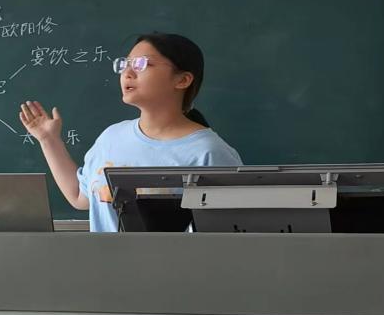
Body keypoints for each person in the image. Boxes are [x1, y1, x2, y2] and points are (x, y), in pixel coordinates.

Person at [19, 32, 242, 232]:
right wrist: (48, 140)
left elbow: (229, 234)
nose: (127, 73)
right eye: (125, 64)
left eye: (142, 64)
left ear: (182, 80)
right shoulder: (112, 137)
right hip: (103, 264)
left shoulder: (208, 153)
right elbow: (80, 197)